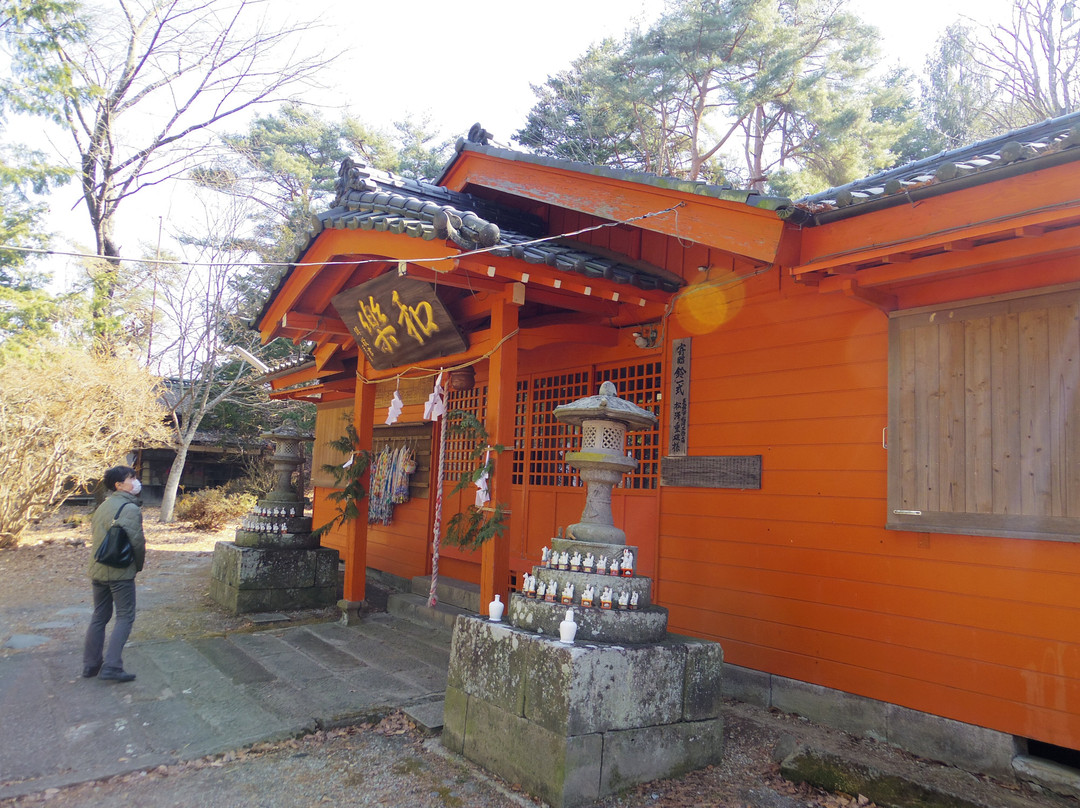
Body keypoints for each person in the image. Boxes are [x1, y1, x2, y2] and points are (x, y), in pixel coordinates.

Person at [82, 465, 145, 682]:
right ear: (119, 485)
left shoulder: (103, 506)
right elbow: (137, 543)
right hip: (119, 571)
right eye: (132, 478)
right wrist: (137, 566)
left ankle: (90, 665)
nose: (136, 481)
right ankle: (112, 666)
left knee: (99, 616)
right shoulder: (130, 509)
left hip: (98, 568)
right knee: (125, 616)